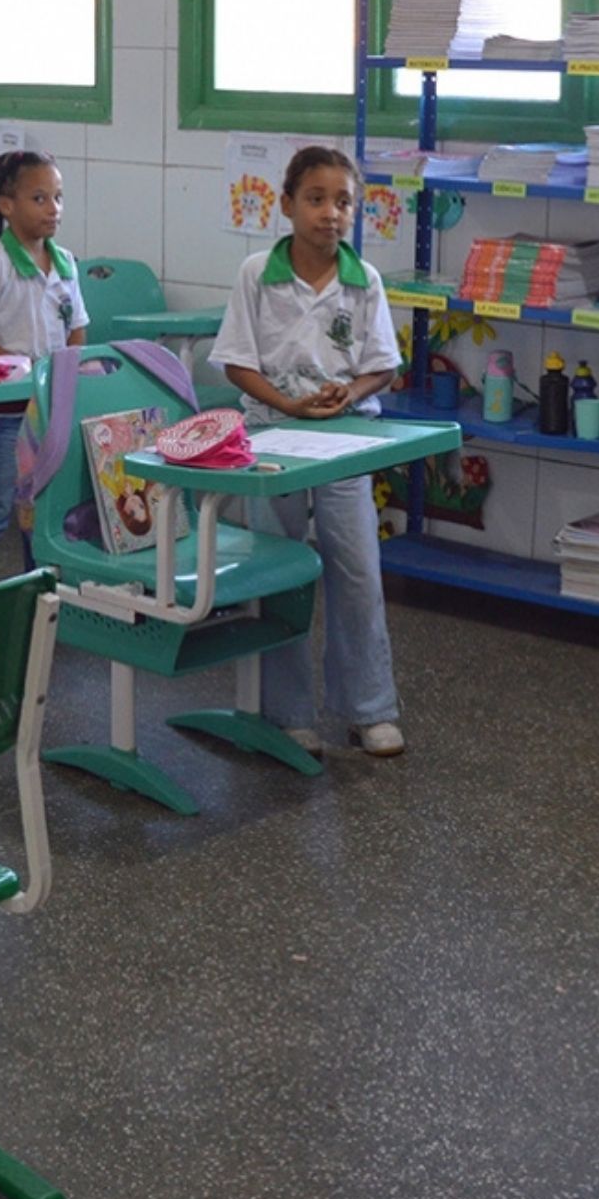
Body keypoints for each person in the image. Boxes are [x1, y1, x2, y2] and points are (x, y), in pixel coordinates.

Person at [210, 146, 406, 757]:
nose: (330, 213)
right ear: (288, 204)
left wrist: (351, 391)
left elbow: (382, 366)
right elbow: (236, 362)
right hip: (274, 437)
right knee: (279, 573)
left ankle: (369, 708)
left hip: (345, 441)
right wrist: (288, 405)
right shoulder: (256, 274)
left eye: (343, 202)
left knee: (358, 572)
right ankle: (286, 713)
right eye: (317, 199)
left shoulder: (363, 280)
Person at [0, 149, 85, 589]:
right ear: (6, 205)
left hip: (51, 410)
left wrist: (66, 378)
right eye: (40, 198)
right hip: (6, 413)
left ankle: (37, 598)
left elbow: (77, 328)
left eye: (58, 198)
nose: (53, 209)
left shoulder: (65, 263)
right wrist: (19, 366)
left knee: (42, 513)